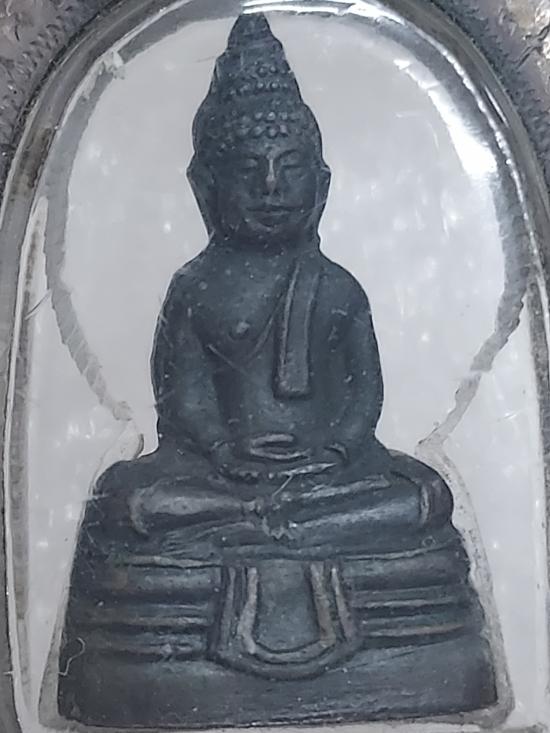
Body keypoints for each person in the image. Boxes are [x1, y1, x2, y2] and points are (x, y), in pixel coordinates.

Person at [57, 12, 497, 727]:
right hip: (217, 478)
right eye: (249, 170)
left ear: (320, 183)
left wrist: (335, 453)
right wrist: (223, 452)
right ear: (206, 186)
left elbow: (363, 396)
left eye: (290, 168)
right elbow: (184, 395)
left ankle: (270, 525)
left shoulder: (338, 288)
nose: (271, 186)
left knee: (423, 497)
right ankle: (262, 522)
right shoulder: (196, 288)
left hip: (330, 477)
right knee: (127, 501)